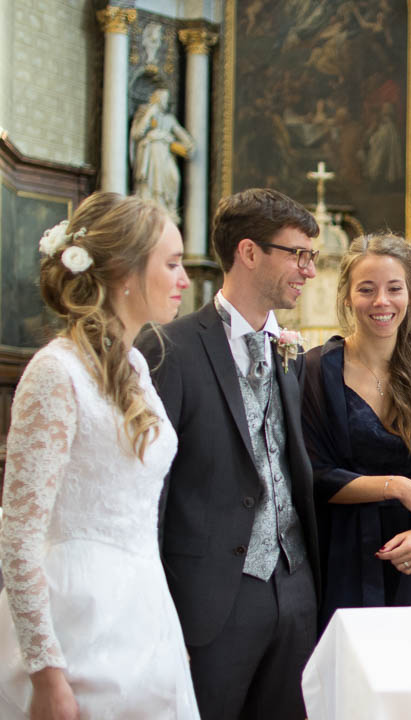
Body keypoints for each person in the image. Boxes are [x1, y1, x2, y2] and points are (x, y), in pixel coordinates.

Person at [0, 192, 197, 718]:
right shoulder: (56, 372)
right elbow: (18, 537)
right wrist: (46, 672)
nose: (184, 279)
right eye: (172, 264)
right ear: (123, 273)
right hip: (75, 620)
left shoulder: (133, 365)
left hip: (143, 611)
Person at [136, 188, 322, 719]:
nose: (308, 270)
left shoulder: (291, 350)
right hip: (211, 596)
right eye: (298, 255)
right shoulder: (170, 347)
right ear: (249, 252)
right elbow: (153, 486)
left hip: (295, 586)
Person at [301, 235, 411, 631]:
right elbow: (312, 474)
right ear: (348, 297)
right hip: (341, 554)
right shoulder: (315, 371)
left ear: (410, 295)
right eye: (367, 289)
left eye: (394, 288)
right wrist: (397, 486)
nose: (381, 301)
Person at [129, 88, 195, 222]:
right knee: (150, 188)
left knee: (173, 178)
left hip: (164, 155)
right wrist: (149, 114)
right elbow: (137, 134)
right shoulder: (144, 114)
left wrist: (184, 144)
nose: (164, 102)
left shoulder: (169, 119)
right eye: (162, 98)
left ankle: (166, 211)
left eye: (166, 99)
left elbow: (185, 138)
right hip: (150, 154)